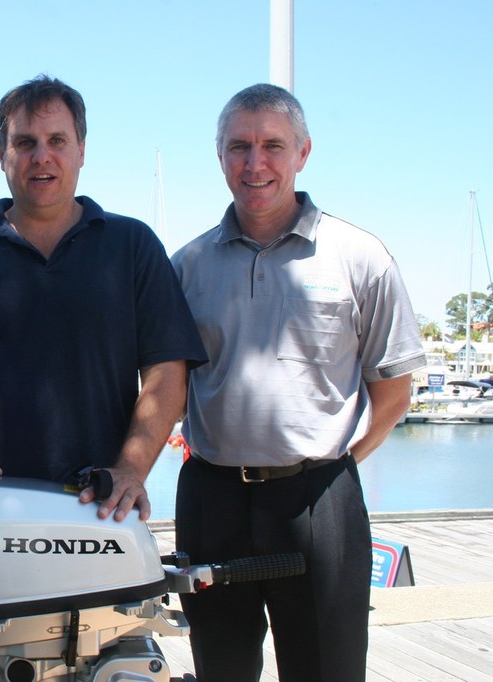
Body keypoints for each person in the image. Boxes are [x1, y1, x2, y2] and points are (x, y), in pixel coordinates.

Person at [170, 83, 426, 682]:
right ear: (219, 156)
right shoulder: (184, 267)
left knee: (325, 671)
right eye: (239, 147)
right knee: (221, 668)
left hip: (318, 500)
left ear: (303, 152)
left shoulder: (361, 258)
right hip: (213, 502)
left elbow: (393, 392)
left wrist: (342, 466)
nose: (255, 163)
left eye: (272, 146)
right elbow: (164, 388)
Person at [0, 74, 206, 523]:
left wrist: (130, 470)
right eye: (24, 142)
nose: (42, 156)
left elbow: (166, 371)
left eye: (57, 140)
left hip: (100, 511)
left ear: (82, 149)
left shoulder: (133, 246)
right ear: (3, 154)